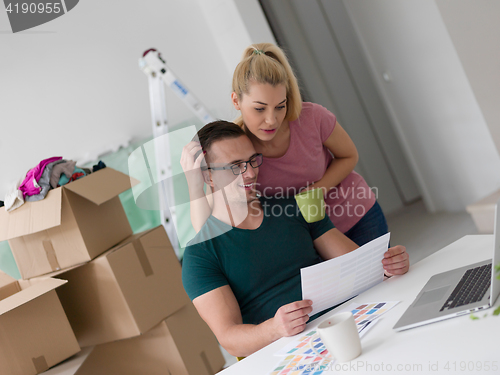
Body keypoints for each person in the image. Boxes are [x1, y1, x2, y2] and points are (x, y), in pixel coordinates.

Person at [181, 120, 409, 358]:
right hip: (290, 351)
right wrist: (275, 328)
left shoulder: (293, 207)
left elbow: (358, 265)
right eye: (235, 166)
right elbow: (230, 339)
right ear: (207, 177)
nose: (249, 172)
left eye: (251, 161)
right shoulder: (200, 256)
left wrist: (387, 266)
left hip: (346, 325)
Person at [182, 42, 387, 247]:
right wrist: (194, 184)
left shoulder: (313, 118)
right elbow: (204, 227)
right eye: (260, 109)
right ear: (236, 101)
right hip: (308, 237)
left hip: (357, 214)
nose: (272, 120)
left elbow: (349, 155)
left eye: (280, 106)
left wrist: (317, 190)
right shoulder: (235, 147)